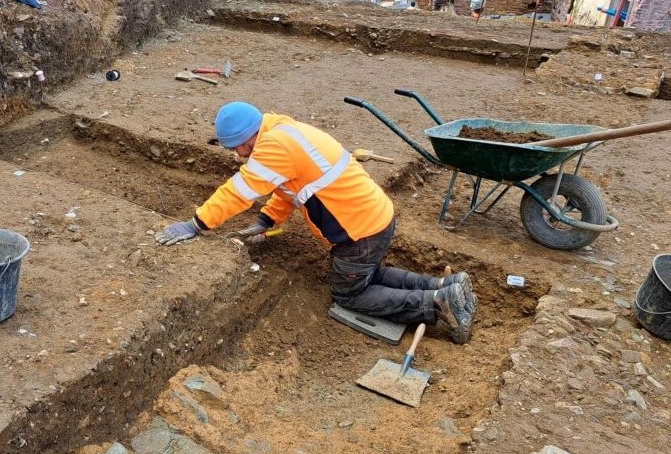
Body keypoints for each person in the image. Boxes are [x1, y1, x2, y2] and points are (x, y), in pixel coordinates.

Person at [155, 102, 477, 343]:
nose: (238, 155)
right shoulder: (282, 130)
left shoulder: (273, 147)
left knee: (348, 293)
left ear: (248, 135)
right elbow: (289, 188)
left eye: (238, 146)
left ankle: (435, 305)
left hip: (359, 232)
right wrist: (268, 219)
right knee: (370, 274)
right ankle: (442, 286)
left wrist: (197, 224)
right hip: (375, 217)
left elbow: (238, 192)